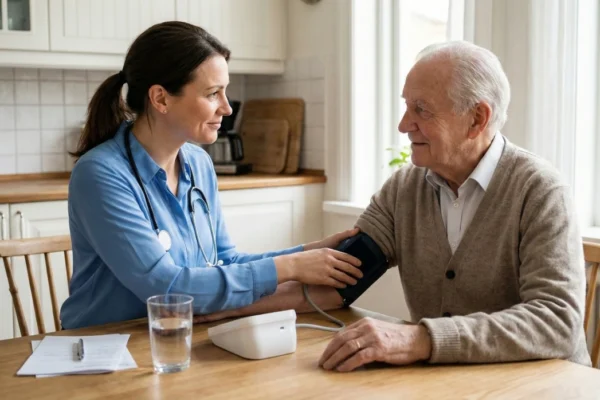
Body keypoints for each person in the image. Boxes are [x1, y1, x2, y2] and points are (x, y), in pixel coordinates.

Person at [198, 41, 592, 371]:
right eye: (407, 106)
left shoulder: (540, 190)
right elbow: (338, 281)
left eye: (421, 109)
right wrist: (225, 305)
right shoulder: (406, 187)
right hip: (454, 383)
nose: (404, 124)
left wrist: (420, 338)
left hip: (546, 385)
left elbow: (556, 322)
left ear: (477, 119)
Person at [60, 21, 364, 330]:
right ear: (161, 98)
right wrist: (290, 267)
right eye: (212, 93)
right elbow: (166, 289)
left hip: (179, 335)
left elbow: (223, 261)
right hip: (107, 346)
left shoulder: (198, 164)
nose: (227, 108)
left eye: (225, 92)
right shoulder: (101, 174)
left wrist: (308, 253)